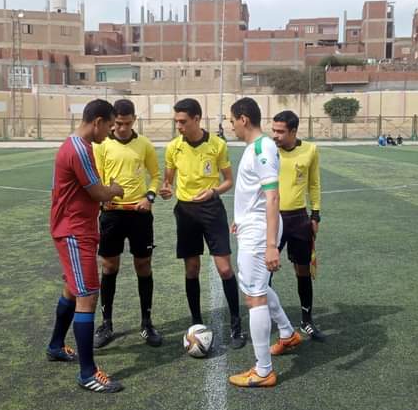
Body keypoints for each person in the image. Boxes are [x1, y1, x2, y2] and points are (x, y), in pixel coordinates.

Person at [47, 99, 125, 393]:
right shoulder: (80, 149)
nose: (111, 131)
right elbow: (97, 191)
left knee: (72, 287)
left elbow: (88, 192)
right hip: (74, 232)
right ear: (98, 122)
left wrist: (102, 195)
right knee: (88, 296)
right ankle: (88, 373)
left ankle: (55, 345)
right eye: (110, 125)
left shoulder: (77, 146)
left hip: (77, 228)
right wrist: (114, 191)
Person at [159, 98, 246, 349]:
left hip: (211, 210)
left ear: (197, 119)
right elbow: (168, 181)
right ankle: (196, 324)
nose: (179, 126)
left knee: (225, 269)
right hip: (185, 212)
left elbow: (229, 180)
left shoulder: (217, 145)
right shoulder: (173, 147)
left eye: (183, 121)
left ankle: (236, 323)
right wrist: (166, 189)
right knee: (192, 269)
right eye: (176, 121)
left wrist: (214, 192)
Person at [228, 98, 299, 388]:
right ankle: (287, 333)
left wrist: (271, 244)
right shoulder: (253, 148)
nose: (230, 125)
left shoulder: (263, 147)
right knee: (258, 287)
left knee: (254, 296)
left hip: (260, 234)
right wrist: (241, 219)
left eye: (231, 119)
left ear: (244, 119)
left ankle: (263, 370)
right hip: (252, 228)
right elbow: (254, 192)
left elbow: (272, 196)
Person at [92, 99, 162, 349]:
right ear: (113, 121)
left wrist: (149, 197)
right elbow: (97, 178)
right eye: (118, 123)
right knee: (109, 267)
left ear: (134, 120)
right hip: (111, 215)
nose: (122, 128)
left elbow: (155, 176)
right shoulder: (101, 145)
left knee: (143, 265)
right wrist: (104, 198)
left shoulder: (144, 144)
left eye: (127, 123)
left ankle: (147, 323)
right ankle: (106, 323)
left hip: (140, 214)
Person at [271, 111, 326, 341]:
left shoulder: (310, 150)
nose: (275, 135)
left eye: (280, 131)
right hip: (272, 216)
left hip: (298, 218)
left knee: (302, 269)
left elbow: (314, 183)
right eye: (273, 130)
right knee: (265, 270)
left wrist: (315, 214)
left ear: (293, 131)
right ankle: (268, 319)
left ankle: (306, 320)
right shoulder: (268, 150)